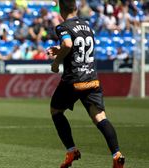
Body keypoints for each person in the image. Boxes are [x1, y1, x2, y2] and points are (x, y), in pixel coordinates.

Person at [47, 1, 125, 168]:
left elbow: (68, 44)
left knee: (56, 111)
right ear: (75, 8)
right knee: (100, 117)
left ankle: (71, 150)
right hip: (92, 78)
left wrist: (56, 62)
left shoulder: (62, 27)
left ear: (61, 10)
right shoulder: (87, 26)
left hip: (74, 79)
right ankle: (116, 154)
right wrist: (60, 49)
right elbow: (76, 46)